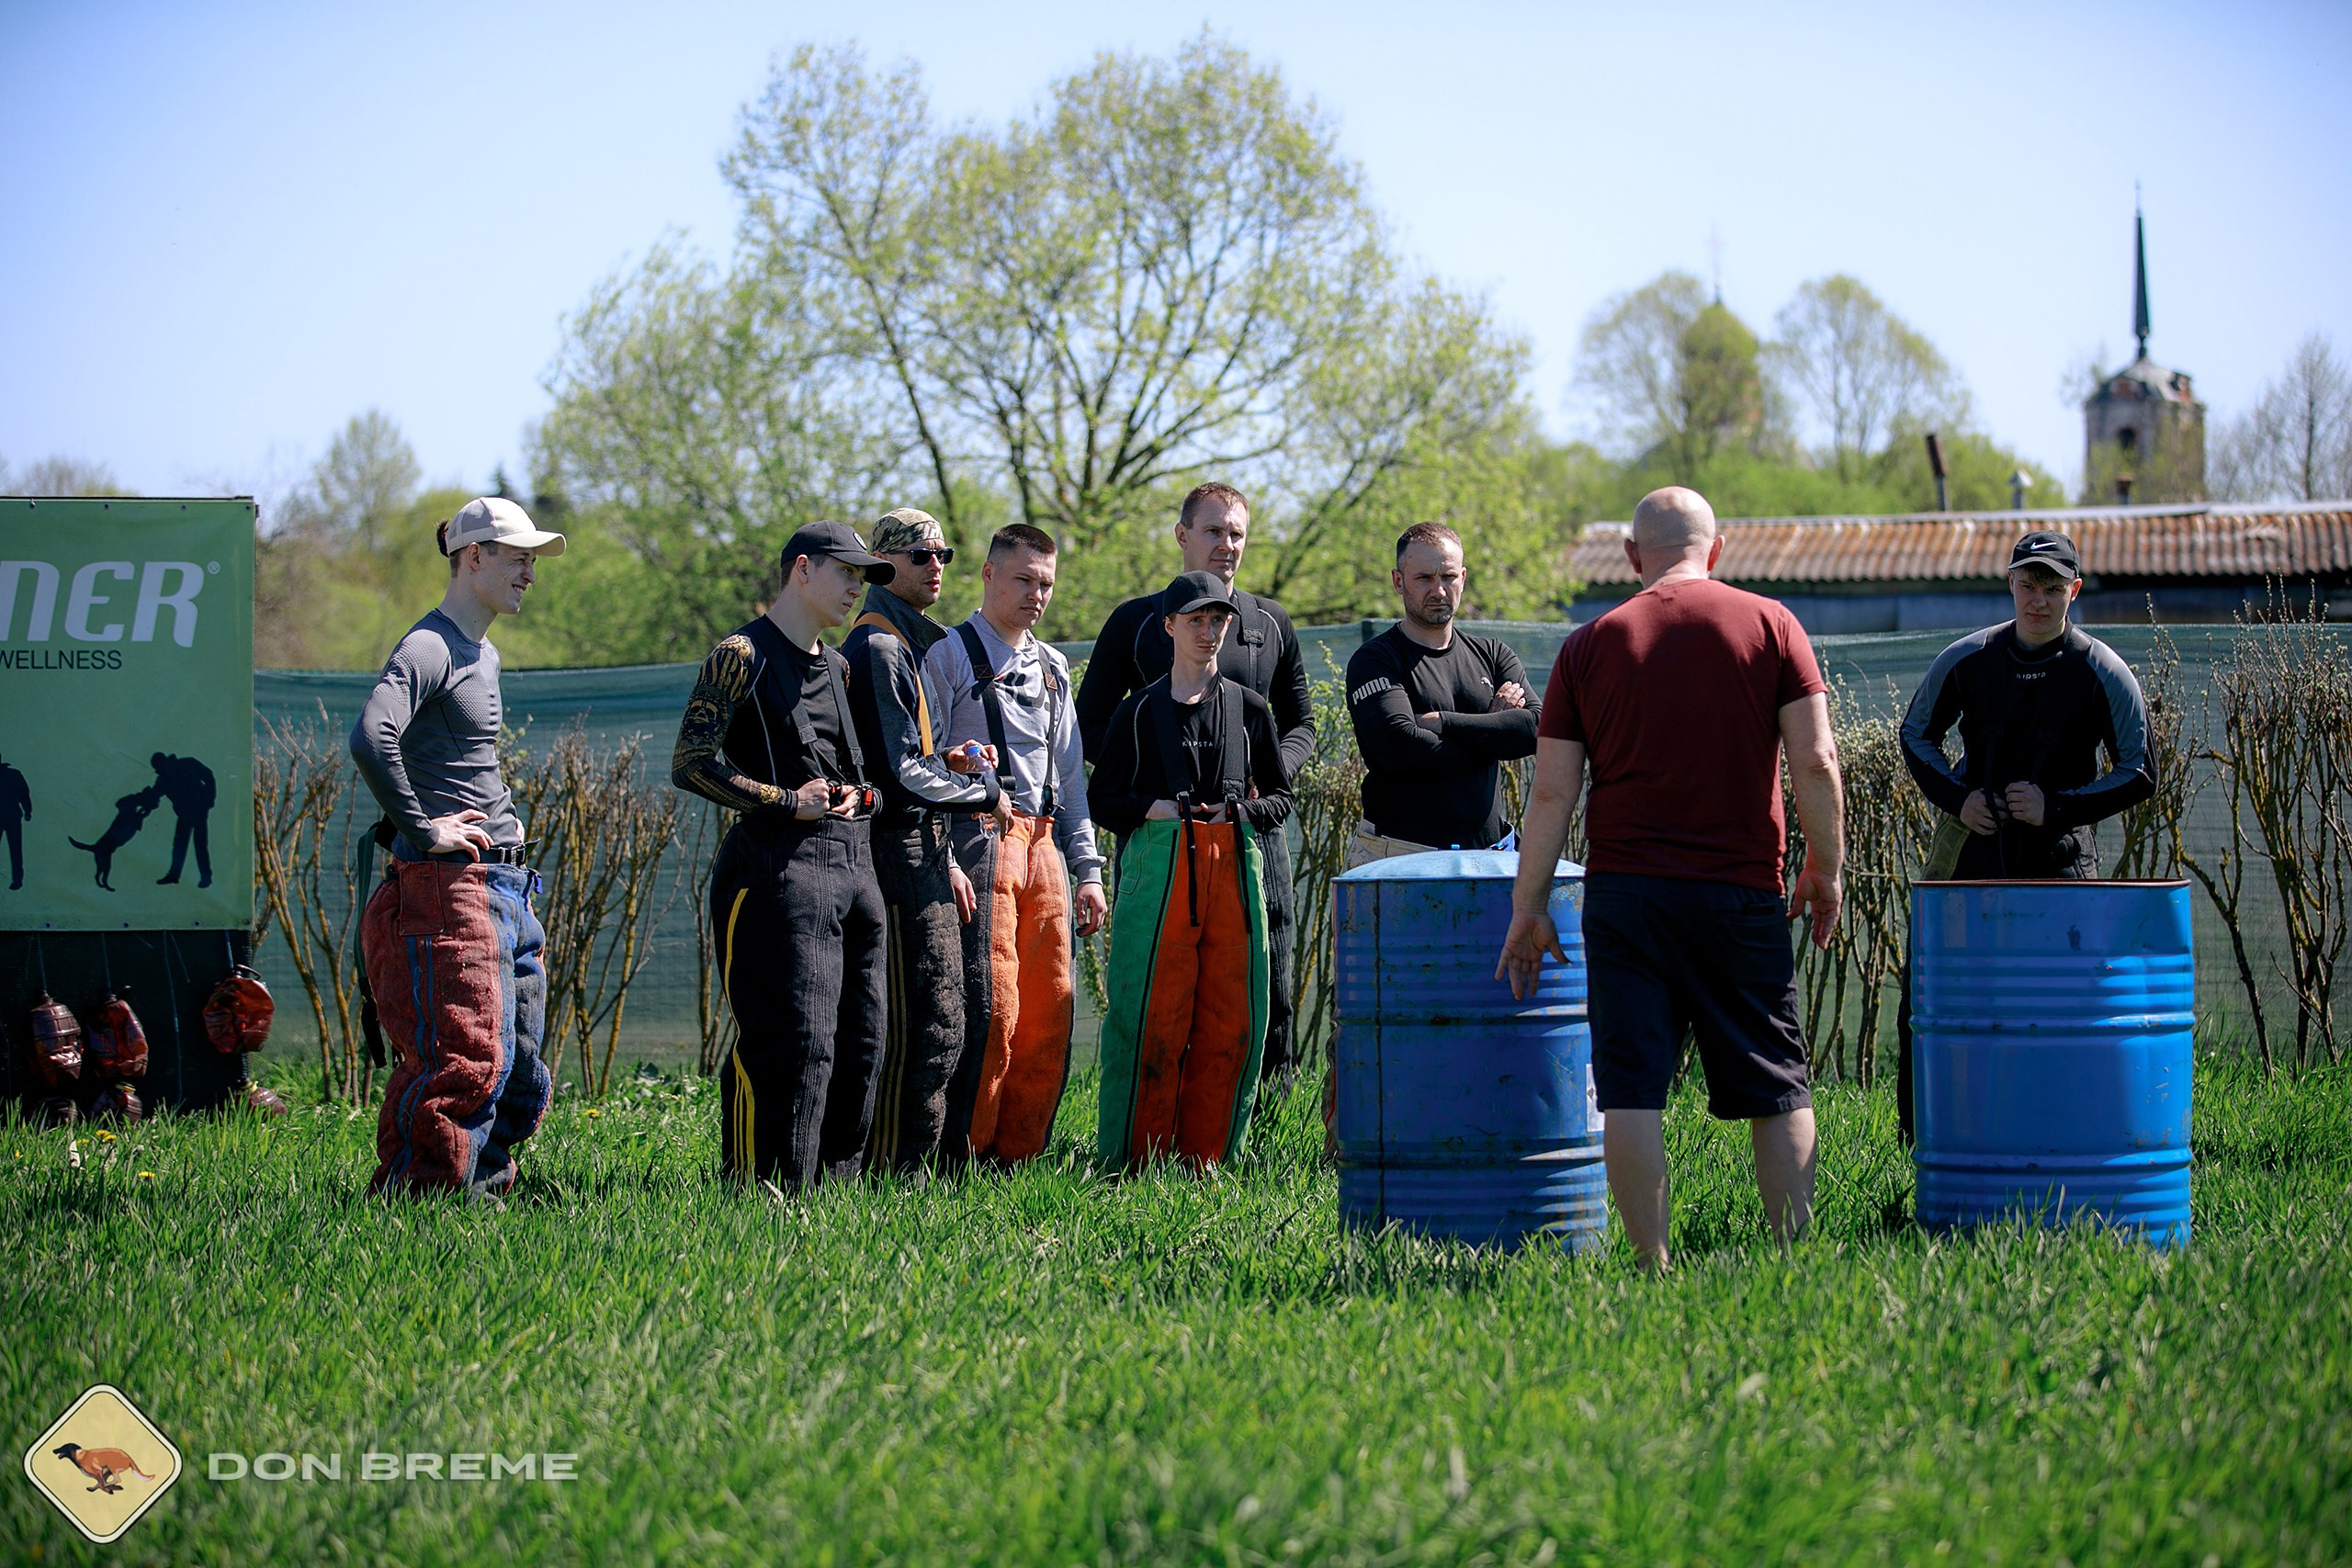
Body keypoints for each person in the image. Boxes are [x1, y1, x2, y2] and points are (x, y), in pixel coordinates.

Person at [1497, 486, 1844, 1271]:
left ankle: (1652, 1264)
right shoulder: (1773, 625)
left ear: (1630, 557)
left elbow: (1552, 791)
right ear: (1716, 550)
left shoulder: (1589, 645)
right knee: (1776, 1080)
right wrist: (1826, 865)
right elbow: (1816, 761)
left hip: (1627, 896)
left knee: (1631, 1085)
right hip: (1742, 890)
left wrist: (1529, 904)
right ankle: (1791, 1256)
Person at [1894, 529, 2154, 1142]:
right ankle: (1928, 1141)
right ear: (2010, 583)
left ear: (2075, 591)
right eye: (2029, 585)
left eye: (2053, 588)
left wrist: (2056, 808)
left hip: (2061, 861)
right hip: (1968, 854)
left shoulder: (2100, 669)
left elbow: (2140, 770)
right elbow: (1914, 734)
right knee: (1934, 1002)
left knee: (2065, 1008)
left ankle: (2061, 1137)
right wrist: (1961, 800)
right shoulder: (1968, 658)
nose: (2038, 600)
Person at [349, 495, 566, 1199]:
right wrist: (425, 828)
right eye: (519, 558)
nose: (530, 573)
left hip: (507, 889)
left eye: (535, 560)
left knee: (520, 1062)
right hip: (452, 888)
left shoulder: (484, 651)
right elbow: (371, 733)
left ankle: (485, 1195)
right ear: (474, 556)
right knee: (465, 1060)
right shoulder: (430, 645)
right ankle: (419, 1207)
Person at [673, 521, 893, 1191]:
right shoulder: (740, 652)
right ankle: (758, 1192)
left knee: (861, 1047)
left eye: (865, 576)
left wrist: (866, 798)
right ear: (802, 569)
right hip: (774, 869)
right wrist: (781, 799)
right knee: (793, 1046)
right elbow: (690, 763)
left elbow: (857, 771)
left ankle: (833, 1195)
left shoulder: (841, 665)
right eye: (846, 571)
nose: (857, 586)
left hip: (855, 868)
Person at [1076, 482, 1315, 1093]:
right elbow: (1090, 721)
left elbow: (1300, 723)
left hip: (1252, 830)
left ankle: (1263, 1117)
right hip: (1159, 834)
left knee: (1268, 974)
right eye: (1213, 531)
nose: (1226, 544)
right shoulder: (1136, 621)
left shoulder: (1270, 622)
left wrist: (1269, 774)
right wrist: (1147, 785)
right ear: (1183, 536)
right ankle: (1153, 1115)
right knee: (1157, 976)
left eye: (1236, 532)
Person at [1088, 570, 1294, 1170]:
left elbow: (1280, 798)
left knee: (1230, 1021)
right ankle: (1131, 1158)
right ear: (1169, 626)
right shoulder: (1136, 712)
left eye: (1219, 620)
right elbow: (1104, 799)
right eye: (1197, 620)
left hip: (1232, 868)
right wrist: (1149, 808)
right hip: (1158, 870)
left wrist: (1241, 810)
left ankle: (1210, 1160)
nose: (1208, 631)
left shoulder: (1251, 710)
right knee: (1148, 1016)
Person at [922, 524, 1108, 1165]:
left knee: (1050, 1006)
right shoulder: (946, 654)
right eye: (1024, 579)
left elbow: (1073, 778)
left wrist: (1089, 870)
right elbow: (923, 768)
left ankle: (1020, 1156)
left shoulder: (1054, 668)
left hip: (1047, 844)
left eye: (1047, 583)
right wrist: (942, 856)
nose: (1036, 593)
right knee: (990, 1004)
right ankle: (964, 1152)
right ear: (989, 574)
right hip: (980, 839)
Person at [841, 507, 1010, 1175]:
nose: (937, 564)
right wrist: (984, 793)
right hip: (894, 852)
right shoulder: (880, 645)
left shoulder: (910, 643)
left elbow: (916, 757)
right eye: (921, 555)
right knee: (924, 1023)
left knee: (944, 1016)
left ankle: (914, 1175)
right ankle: (895, 1178)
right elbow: (900, 774)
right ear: (885, 568)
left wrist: (957, 760)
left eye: (943, 552)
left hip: (923, 849)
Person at [1343, 522, 1539, 867]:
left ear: (1463, 577)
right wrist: (1493, 730)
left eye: (1448, 577)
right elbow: (1401, 749)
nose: (1438, 590)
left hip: (1494, 857)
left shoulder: (1493, 655)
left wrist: (1444, 723)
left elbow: (1535, 729)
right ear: (1398, 581)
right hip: (1402, 858)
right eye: (1424, 578)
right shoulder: (1376, 660)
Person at [150, 751, 216, 887]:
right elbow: (153, 797)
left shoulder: (188, 763)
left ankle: (206, 877)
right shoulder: (163, 780)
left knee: (200, 845)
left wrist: (208, 800)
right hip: (184, 814)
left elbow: (209, 776)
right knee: (179, 845)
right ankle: (174, 875)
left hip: (199, 810)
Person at [0, 753, 30, 890]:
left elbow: (24, 793)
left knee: (16, 849)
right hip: (13, 816)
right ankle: (17, 880)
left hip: (11, 816)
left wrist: (28, 810)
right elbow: (24, 794)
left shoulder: (15, 774)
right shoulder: (14, 774)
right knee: (16, 849)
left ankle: (17, 880)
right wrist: (28, 810)